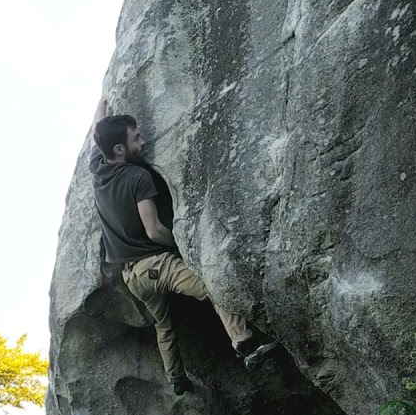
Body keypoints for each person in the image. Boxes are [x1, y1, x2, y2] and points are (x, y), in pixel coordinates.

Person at [88, 97, 278, 395]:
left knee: (163, 326)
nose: (144, 139)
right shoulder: (137, 177)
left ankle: (176, 380)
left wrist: (102, 105)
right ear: (119, 150)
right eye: (136, 137)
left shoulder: (98, 167)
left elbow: (96, 131)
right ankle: (244, 344)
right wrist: (183, 248)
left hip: (132, 278)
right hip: (156, 265)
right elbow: (154, 231)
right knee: (213, 287)